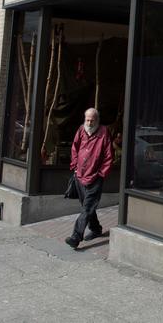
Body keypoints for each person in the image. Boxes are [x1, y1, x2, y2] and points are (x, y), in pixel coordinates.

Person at [66, 107, 113, 249]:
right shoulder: (81, 130)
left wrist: (101, 174)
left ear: (97, 120)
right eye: (87, 120)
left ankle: (76, 236)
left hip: (95, 177)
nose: (90, 123)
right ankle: (96, 229)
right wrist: (75, 166)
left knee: (86, 208)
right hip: (80, 175)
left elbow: (108, 155)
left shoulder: (104, 132)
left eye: (92, 120)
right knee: (87, 206)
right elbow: (75, 148)